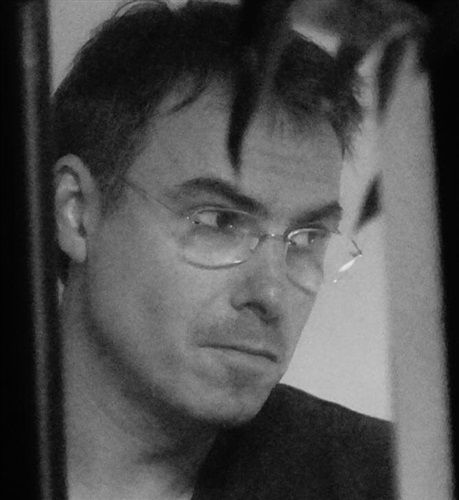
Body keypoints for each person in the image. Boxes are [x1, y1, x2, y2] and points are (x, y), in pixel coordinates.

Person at [53, 1, 394, 498]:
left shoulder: (392, 479)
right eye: (220, 222)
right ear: (77, 211)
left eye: (308, 238)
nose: (271, 296)